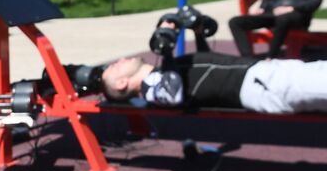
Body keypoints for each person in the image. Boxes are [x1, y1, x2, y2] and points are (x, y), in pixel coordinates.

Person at [99, 50, 327, 113]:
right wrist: (166, 48)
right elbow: (173, 93)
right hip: (264, 86)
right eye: (114, 67)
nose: (119, 59)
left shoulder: (163, 73)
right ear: (122, 84)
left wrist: (198, 31)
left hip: (267, 73)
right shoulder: (151, 90)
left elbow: (207, 65)